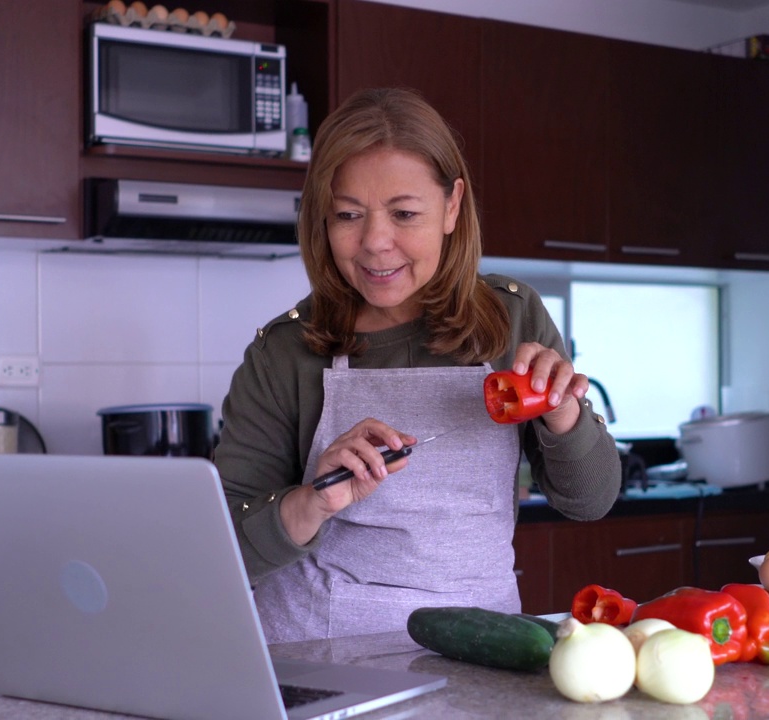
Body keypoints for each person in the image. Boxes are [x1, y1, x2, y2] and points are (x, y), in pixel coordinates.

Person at [214, 87, 622, 643]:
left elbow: (590, 500)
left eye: (404, 213)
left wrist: (564, 416)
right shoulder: (286, 350)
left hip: (481, 649)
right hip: (318, 659)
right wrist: (313, 499)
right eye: (348, 215)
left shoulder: (512, 315)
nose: (376, 243)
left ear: (452, 206)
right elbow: (225, 549)